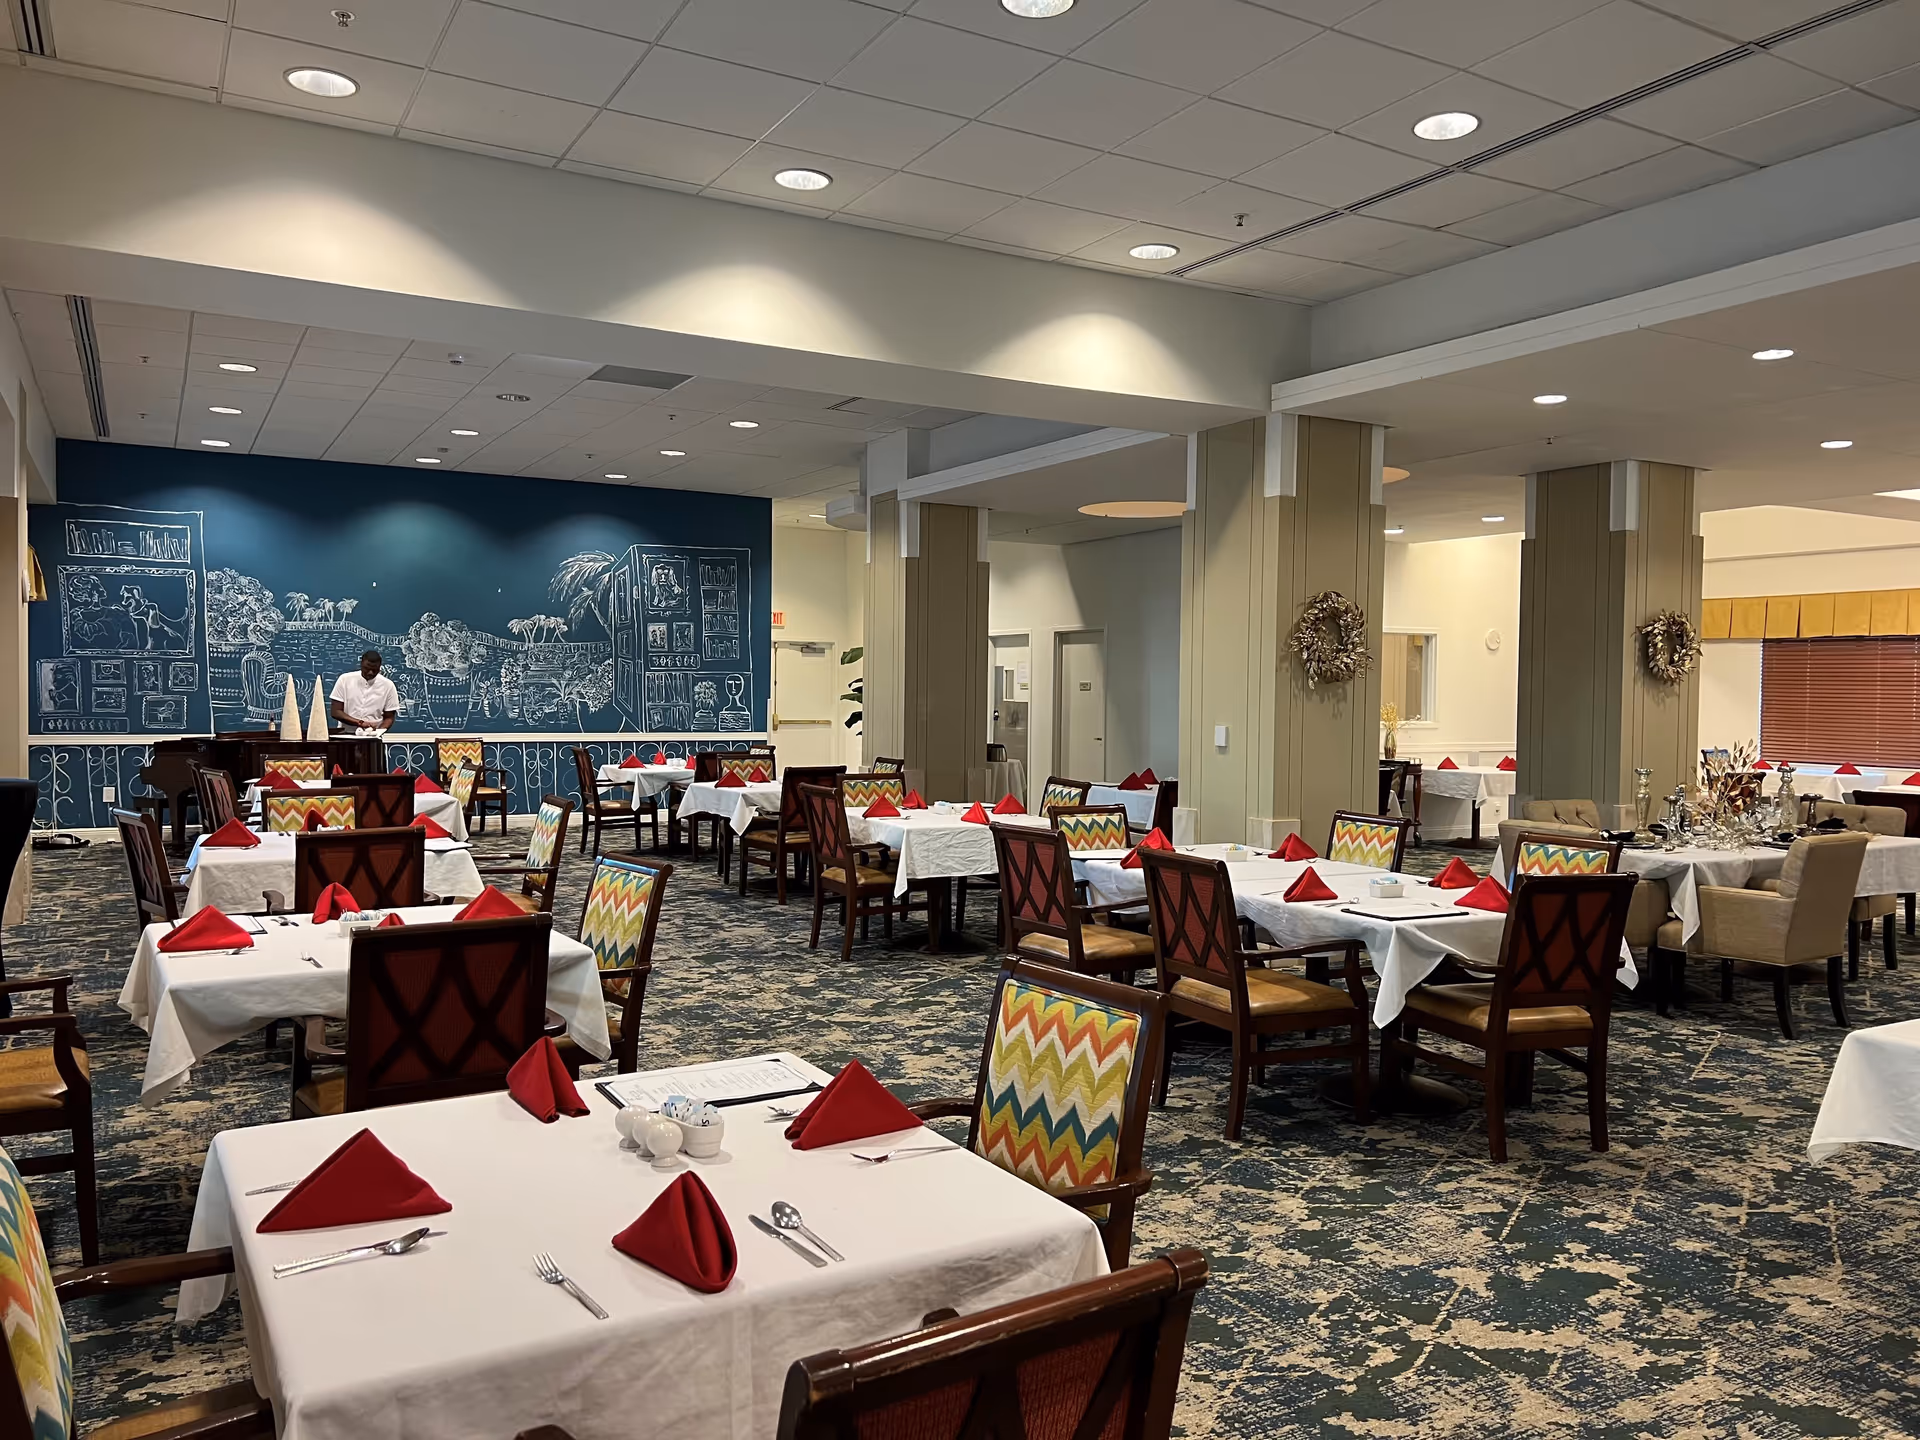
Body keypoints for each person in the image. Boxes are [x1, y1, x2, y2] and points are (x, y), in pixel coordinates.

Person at [329, 650, 399, 731]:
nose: (370, 673)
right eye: (367, 668)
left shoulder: (388, 685)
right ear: (361, 664)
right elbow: (336, 711)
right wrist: (359, 723)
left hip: (373, 736)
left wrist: (379, 731)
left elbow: (389, 717)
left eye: (374, 670)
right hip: (346, 734)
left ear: (379, 667)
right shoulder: (344, 680)